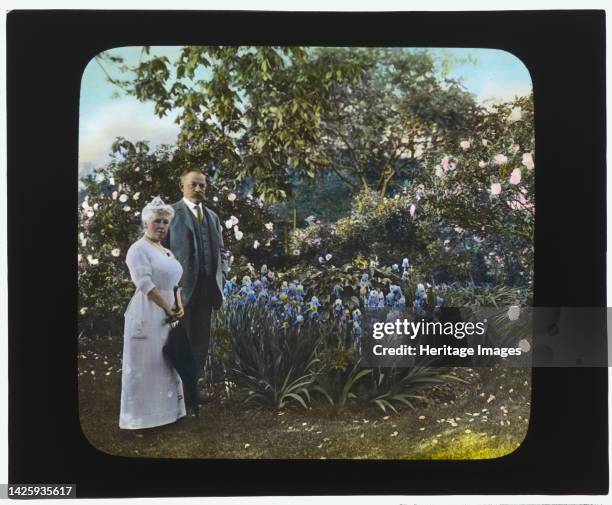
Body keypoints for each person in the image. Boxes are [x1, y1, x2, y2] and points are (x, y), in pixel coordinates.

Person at [119, 196, 187, 430]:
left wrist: (178, 304)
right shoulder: (138, 249)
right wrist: (166, 307)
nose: (161, 226)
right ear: (146, 222)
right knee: (146, 363)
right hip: (148, 311)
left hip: (169, 312)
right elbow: (144, 283)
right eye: (157, 221)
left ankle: (167, 414)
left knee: (166, 362)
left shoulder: (166, 251)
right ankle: (141, 418)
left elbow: (176, 282)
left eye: (166, 222)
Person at [163, 170, 229, 394]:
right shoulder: (171, 214)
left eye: (202, 185)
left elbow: (221, 251)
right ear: (182, 187)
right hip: (180, 292)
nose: (199, 189)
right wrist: (169, 291)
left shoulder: (212, 216)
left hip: (207, 291)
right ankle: (175, 392)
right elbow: (160, 251)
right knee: (180, 342)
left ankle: (193, 391)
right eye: (194, 185)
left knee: (201, 342)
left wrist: (223, 274)